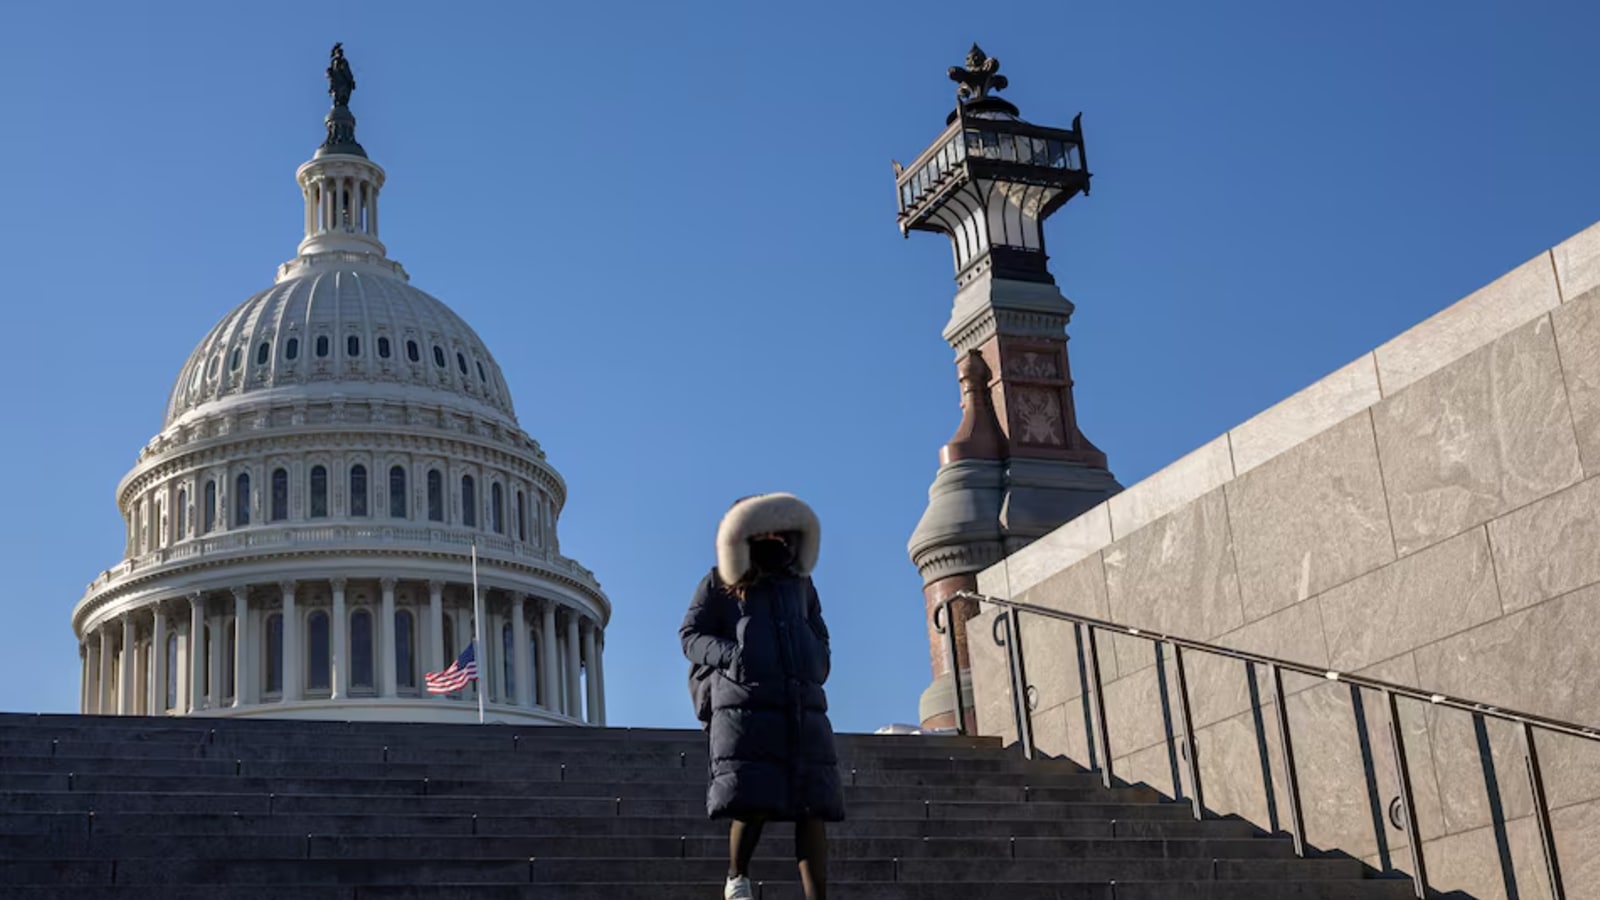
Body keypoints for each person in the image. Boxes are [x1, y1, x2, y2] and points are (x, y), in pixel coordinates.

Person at [680, 493, 844, 900]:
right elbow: (690, 635)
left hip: (800, 702)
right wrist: (734, 658)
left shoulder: (800, 582)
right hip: (746, 704)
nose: (773, 534)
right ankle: (738, 877)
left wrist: (816, 660)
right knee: (752, 798)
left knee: (812, 807)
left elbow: (817, 627)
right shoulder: (719, 580)